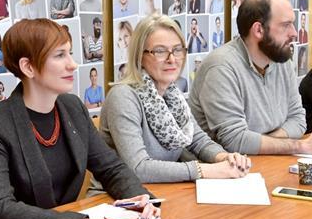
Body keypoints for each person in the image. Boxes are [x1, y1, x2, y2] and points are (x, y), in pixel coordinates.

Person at [0, 19, 159, 219]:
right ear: (28, 67)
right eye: (60, 55)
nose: (73, 64)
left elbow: (111, 168)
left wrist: (141, 199)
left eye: (70, 53)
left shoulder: (72, 107)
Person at [99, 14, 251, 183]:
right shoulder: (123, 97)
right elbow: (139, 168)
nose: (172, 59)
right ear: (140, 57)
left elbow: (198, 141)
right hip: (117, 199)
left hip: (163, 193)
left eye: (177, 50)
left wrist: (225, 158)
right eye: (160, 51)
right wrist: (204, 170)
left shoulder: (173, 95)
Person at [188, 0, 312, 155]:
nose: (294, 33)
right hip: (224, 172)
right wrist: (300, 146)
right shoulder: (221, 67)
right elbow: (235, 140)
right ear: (259, 30)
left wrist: (262, 143)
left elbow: (298, 120)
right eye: (286, 25)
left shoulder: (282, 60)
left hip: (266, 161)